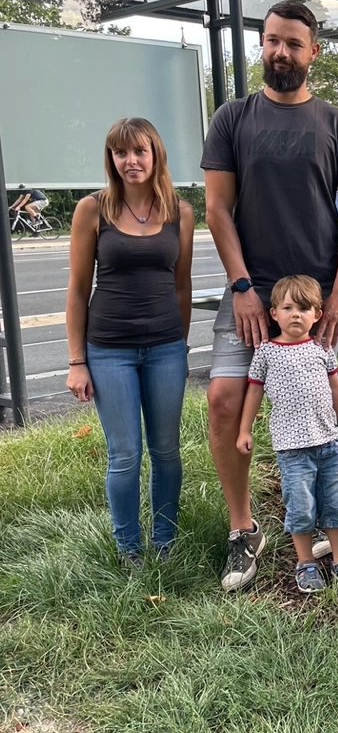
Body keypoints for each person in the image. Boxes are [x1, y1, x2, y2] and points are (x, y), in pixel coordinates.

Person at [202, 0, 338, 592]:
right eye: (272, 41)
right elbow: (217, 208)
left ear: (313, 52)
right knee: (225, 399)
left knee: (324, 405)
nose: (280, 52)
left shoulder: (336, 125)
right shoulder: (232, 119)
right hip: (251, 292)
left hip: (319, 299)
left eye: (293, 44)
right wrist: (244, 288)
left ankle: (328, 521)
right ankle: (244, 529)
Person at [65, 118, 194, 568]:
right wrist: (77, 360)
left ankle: (164, 541)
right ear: (111, 159)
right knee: (124, 454)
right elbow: (79, 289)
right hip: (109, 351)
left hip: (165, 351)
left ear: (155, 154)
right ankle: (129, 550)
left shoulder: (180, 212)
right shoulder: (92, 210)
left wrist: (178, 344)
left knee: (166, 450)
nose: (131, 161)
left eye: (140, 151)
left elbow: (182, 286)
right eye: (121, 153)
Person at [236, 275, 338, 595]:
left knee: (336, 505)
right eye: (288, 307)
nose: (296, 314)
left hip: (329, 444)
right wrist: (244, 429)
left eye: (304, 308)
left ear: (317, 315)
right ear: (274, 313)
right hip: (292, 450)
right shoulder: (266, 352)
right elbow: (253, 391)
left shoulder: (322, 349)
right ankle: (305, 563)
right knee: (301, 508)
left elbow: (336, 387)